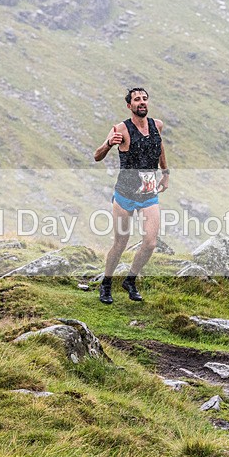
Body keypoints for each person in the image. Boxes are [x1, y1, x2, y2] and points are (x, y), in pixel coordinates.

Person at [93, 87, 169, 304]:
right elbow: (97, 156)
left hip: (148, 192)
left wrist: (166, 172)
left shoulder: (157, 125)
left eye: (144, 99)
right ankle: (106, 283)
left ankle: (130, 279)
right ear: (129, 106)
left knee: (151, 242)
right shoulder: (121, 129)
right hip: (125, 194)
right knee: (120, 243)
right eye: (137, 99)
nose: (142, 102)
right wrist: (109, 144)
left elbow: (160, 146)